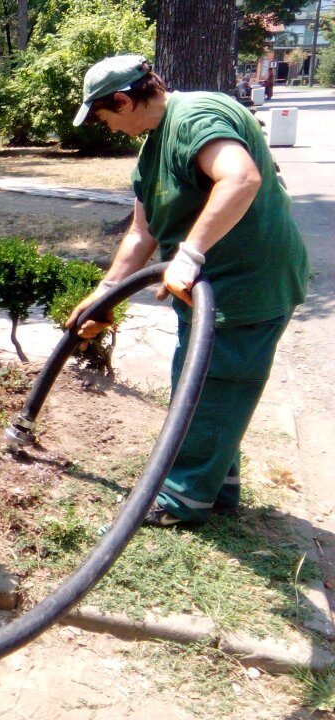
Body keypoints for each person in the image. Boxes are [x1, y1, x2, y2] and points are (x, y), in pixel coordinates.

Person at [66, 55, 308, 527]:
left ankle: (183, 500)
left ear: (124, 99)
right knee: (203, 386)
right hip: (201, 290)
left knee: (212, 387)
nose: (108, 128)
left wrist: (190, 254)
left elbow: (241, 178)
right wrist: (105, 294)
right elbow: (142, 233)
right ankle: (214, 487)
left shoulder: (196, 116)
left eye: (105, 117)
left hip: (246, 285)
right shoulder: (154, 146)